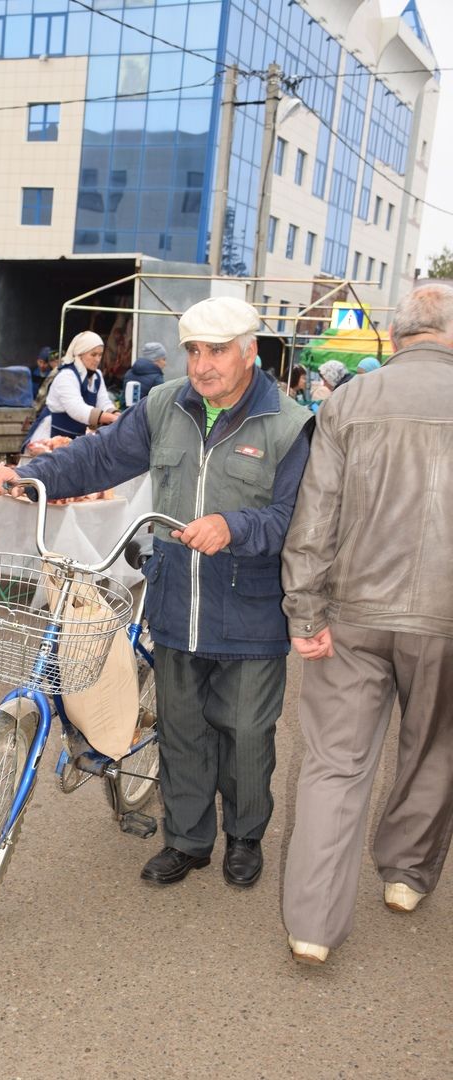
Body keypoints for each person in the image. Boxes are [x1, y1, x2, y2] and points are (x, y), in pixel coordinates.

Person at [0, 297, 312, 888]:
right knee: (182, 729)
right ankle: (187, 841)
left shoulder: (289, 424)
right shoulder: (164, 405)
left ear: (249, 352)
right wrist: (33, 476)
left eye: (216, 351)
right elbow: (100, 457)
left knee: (245, 734)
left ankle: (244, 835)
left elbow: (298, 519)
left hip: (250, 610)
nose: (202, 364)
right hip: (175, 602)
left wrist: (235, 526)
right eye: (193, 351)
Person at [280, 284, 453, 966]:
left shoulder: (350, 399)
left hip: (350, 613)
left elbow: (314, 517)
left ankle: (312, 927)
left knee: (333, 766)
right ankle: (406, 876)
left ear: (394, 334)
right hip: (445, 620)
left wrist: (304, 609)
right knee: (434, 747)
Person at [24, 331, 118, 444]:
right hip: (49, 436)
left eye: (100, 355)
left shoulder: (97, 375)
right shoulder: (66, 375)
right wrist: (112, 418)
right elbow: (77, 409)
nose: (97, 359)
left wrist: (115, 413)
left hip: (72, 439)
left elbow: (103, 401)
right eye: (93, 355)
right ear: (80, 354)